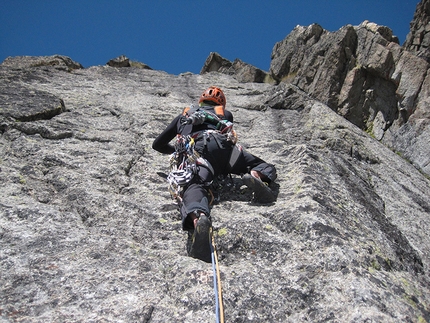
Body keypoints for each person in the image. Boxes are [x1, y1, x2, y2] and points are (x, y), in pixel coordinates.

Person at [152, 86, 277, 262]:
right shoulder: (225, 114)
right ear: (221, 103)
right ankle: (257, 176)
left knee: (194, 185)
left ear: (200, 101)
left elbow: (157, 145)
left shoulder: (183, 117)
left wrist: (179, 151)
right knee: (262, 165)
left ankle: (199, 219)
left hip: (199, 153)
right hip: (227, 152)